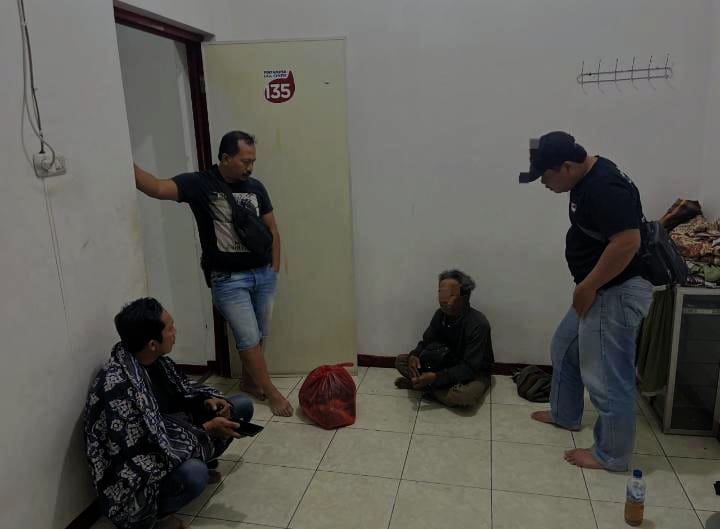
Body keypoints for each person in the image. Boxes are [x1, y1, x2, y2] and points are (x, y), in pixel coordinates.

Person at [519, 131, 653, 471]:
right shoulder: (586, 177)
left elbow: (628, 242)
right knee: (565, 347)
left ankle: (612, 455)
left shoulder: (604, 186)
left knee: (607, 377)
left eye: (545, 176)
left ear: (566, 166)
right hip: (598, 289)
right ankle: (565, 414)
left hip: (614, 292)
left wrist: (589, 286)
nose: (543, 184)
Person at [133, 130, 292, 417]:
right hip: (229, 280)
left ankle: (249, 382)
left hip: (263, 274)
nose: (250, 168)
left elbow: (273, 229)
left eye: (253, 161)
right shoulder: (200, 184)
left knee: (259, 333)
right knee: (248, 336)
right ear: (225, 158)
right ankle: (271, 392)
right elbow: (156, 187)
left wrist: (274, 269)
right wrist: (122, 159)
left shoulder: (256, 187)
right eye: (245, 161)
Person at [84, 298, 254, 529]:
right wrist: (206, 429)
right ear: (153, 343)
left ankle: (200, 458)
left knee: (240, 406)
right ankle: (157, 517)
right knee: (195, 473)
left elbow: (183, 391)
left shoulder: (155, 360)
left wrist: (207, 401)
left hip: (176, 436)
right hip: (139, 479)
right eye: (170, 327)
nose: (175, 332)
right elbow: (142, 452)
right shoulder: (118, 386)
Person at [395, 270, 494, 407]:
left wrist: (436, 378)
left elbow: (469, 368)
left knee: (464, 397)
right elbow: (426, 341)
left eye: (451, 295)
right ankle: (432, 387)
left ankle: (426, 387)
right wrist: (414, 355)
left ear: (464, 297)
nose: (443, 300)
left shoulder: (478, 324)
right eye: (441, 293)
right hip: (445, 363)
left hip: (474, 373)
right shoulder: (440, 315)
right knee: (401, 361)